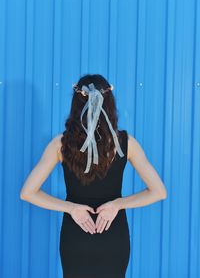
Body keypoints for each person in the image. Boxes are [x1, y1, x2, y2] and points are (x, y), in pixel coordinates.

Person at [20, 74, 167, 278]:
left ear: (76, 104)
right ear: (110, 104)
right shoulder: (126, 143)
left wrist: (72, 208)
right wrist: (117, 204)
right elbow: (159, 192)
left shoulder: (59, 144)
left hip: (76, 235)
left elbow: (27, 193)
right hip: (113, 235)